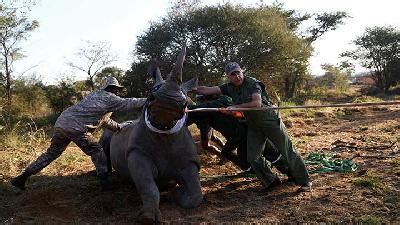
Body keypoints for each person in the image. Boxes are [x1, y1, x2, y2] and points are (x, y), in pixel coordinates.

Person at [10, 77, 147, 191]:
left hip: (61, 123)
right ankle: (104, 184)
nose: (117, 92)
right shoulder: (109, 97)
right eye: (116, 89)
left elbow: (104, 120)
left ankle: (22, 178)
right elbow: (130, 103)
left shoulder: (94, 96)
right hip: (77, 128)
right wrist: (152, 99)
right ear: (111, 89)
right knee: (98, 151)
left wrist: (118, 126)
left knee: (51, 154)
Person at [193, 62, 312, 192]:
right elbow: (207, 90)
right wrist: (188, 89)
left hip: (269, 121)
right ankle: (271, 180)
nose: (237, 76)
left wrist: (235, 107)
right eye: (233, 74)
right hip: (253, 125)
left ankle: (305, 181)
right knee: (252, 157)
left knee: (287, 150)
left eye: (238, 72)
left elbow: (256, 103)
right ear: (228, 77)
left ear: (241, 72)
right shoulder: (228, 87)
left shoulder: (253, 84)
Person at [188, 95, 291, 178]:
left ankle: (290, 173)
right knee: (245, 156)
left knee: (269, 152)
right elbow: (194, 120)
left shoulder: (222, 100)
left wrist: (189, 108)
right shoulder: (205, 113)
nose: (201, 103)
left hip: (246, 131)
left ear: (207, 99)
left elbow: (208, 109)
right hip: (241, 134)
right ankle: (258, 172)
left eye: (201, 101)